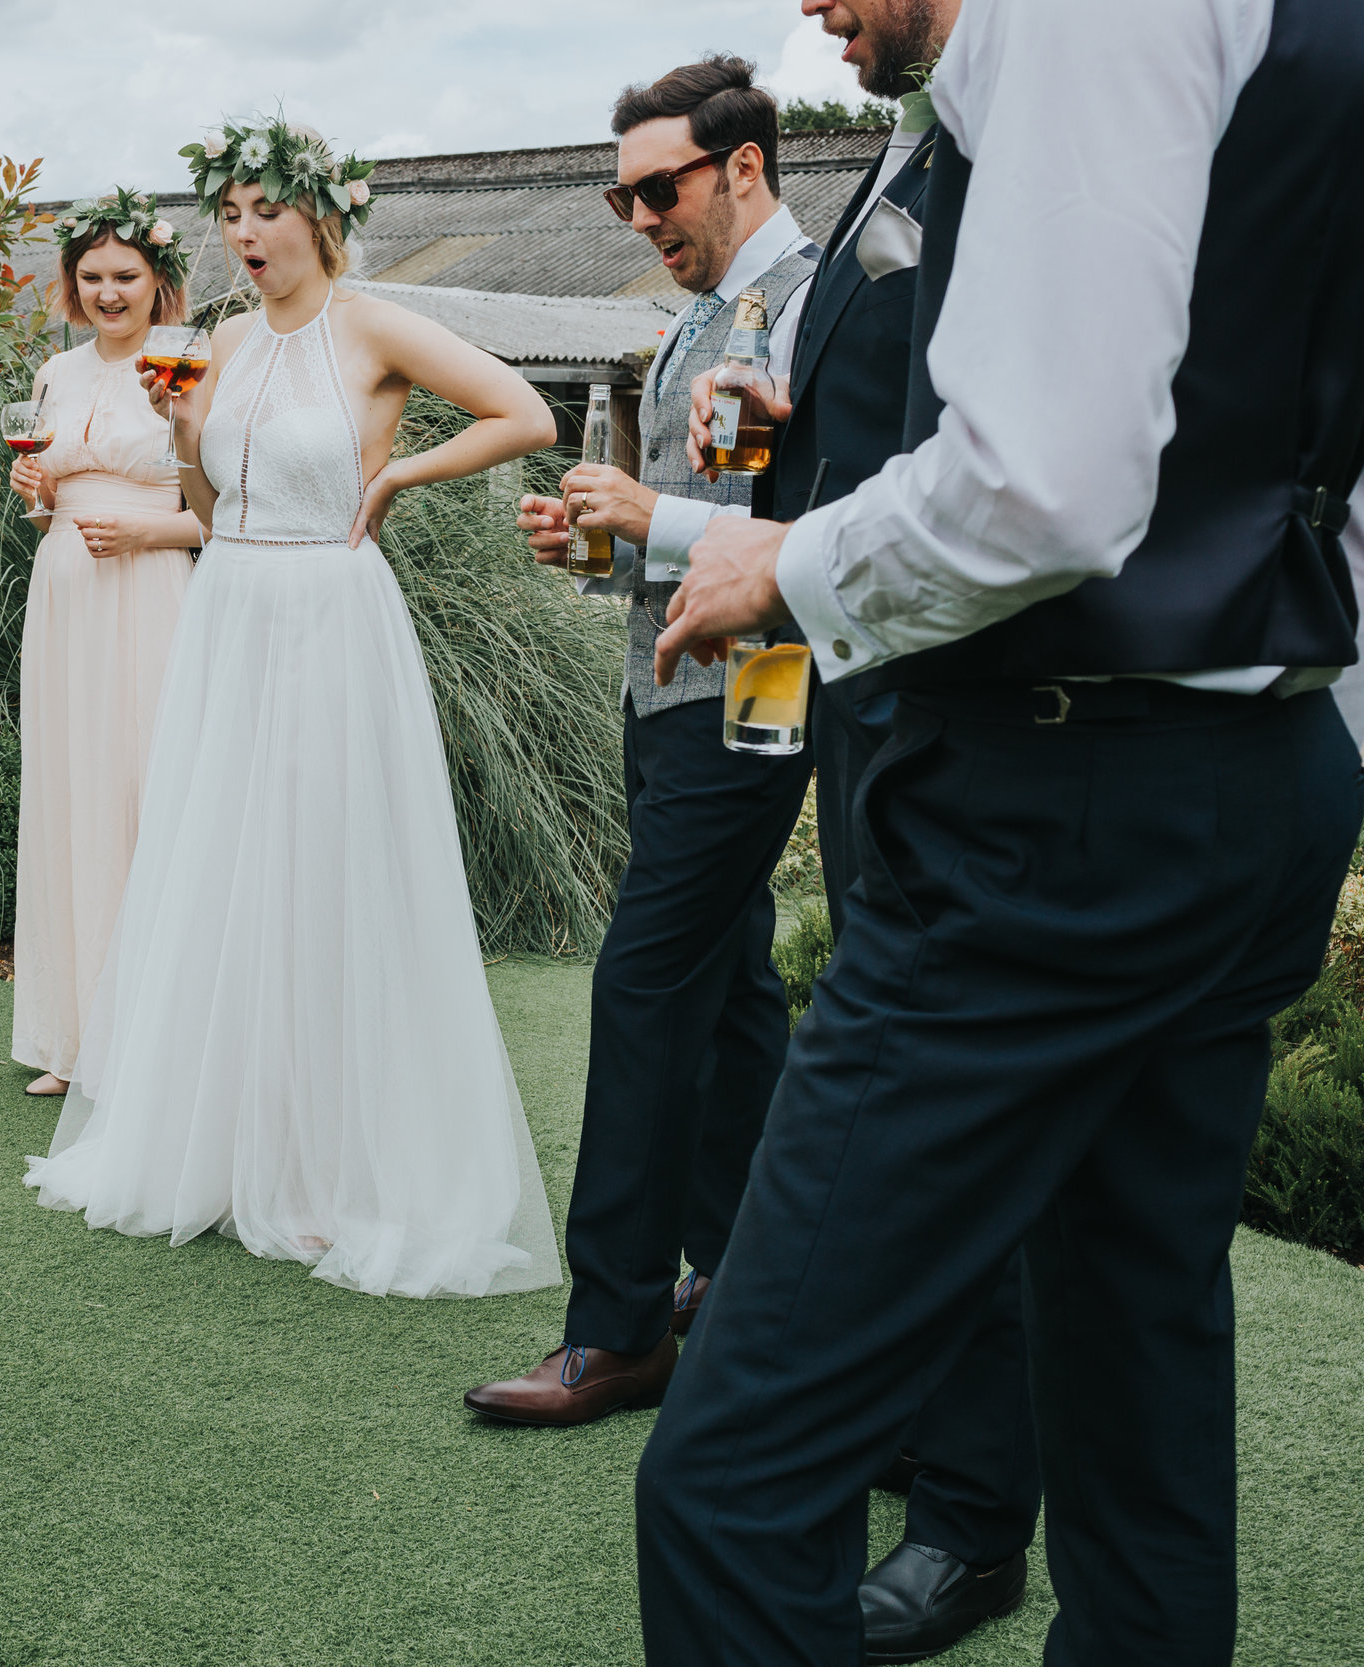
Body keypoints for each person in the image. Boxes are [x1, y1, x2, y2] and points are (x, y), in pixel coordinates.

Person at [636, 3, 1364, 1662]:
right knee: (1138, 1395)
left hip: (1054, 808)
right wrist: (1290, 741)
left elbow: (1042, 486)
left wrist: (784, 567)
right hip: (1253, 792)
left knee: (735, 1472)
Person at [23, 117, 564, 1299]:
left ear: (318, 215)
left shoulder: (370, 324)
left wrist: (399, 474)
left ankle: (333, 1166)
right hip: (229, 608)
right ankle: (225, 1145)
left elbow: (526, 414)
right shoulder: (215, 339)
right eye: (229, 214)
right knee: (224, 862)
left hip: (330, 607)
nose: (244, 232)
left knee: (322, 869)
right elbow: (210, 508)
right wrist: (180, 440)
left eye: (264, 209)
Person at [679, 6, 1044, 1658]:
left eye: (655, 192)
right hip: (841, 662)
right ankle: (932, 1453)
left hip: (928, 662)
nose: (813, 8)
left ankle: (970, 1521)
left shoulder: (1019, 117)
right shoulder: (893, 143)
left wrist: (760, 537)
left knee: (952, 1113)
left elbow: (982, 453)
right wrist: (765, 408)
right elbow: (851, 425)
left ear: (726, 170)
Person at [464, 59, 820, 1410]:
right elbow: (688, 517)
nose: (638, 216)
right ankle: (738, 1270)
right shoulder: (694, 318)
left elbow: (804, 516)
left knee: (648, 976)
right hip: (668, 683)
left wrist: (648, 518)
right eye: (620, 195)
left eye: (656, 188)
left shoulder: (804, 305)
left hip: (757, 685)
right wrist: (596, 543)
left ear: (741, 166)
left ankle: (618, 1324)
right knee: (727, 986)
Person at [8, 191, 204, 1099]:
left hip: (150, 584)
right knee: (70, 791)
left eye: (125, 276)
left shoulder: (192, 365)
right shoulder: (56, 373)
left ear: (158, 280)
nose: (108, 292)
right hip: (65, 590)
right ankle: (76, 1036)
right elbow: (49, 497)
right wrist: (34, 488)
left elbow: (221, 513)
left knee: (140, 788)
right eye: (91, 277)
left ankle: (155, 1037)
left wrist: (146, 538)